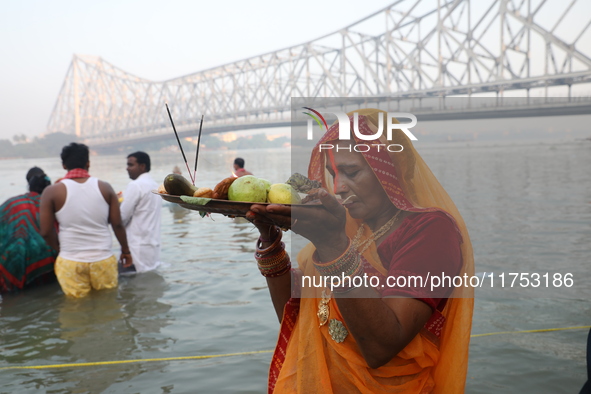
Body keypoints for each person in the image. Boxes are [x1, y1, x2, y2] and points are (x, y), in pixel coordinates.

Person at [246, 109, 474, 393]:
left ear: (391, 169)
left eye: (352, 172)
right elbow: (295, 317)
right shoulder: (353, 231)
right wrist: (270, 240)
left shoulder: (430, 231)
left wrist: (331, 244)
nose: (339, 188)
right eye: (333, 174)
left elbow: (381, 348)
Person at [40, 143, 132, 298]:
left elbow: (45, 231)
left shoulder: (51, 192)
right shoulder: (105, 188)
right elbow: (117, 224)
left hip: (70, 261)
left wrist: (62, 250)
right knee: (108, 307)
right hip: (103, 259)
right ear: (88, 163)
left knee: (76, 312)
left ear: (63, 165)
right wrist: (125, 250)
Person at [0, 167, 56, 292]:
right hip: (43, 261)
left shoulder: (11, 203)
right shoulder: (52, 205)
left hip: (11, 259)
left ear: (29, 185)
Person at [119, 151, 162, 273]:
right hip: (152, 246)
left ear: (142, 166)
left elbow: (122, 218)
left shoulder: (136, 185)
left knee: (130, 286)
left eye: (130, 165)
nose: (127, 168)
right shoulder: (155, 186)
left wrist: (115, 205)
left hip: (136, 247)